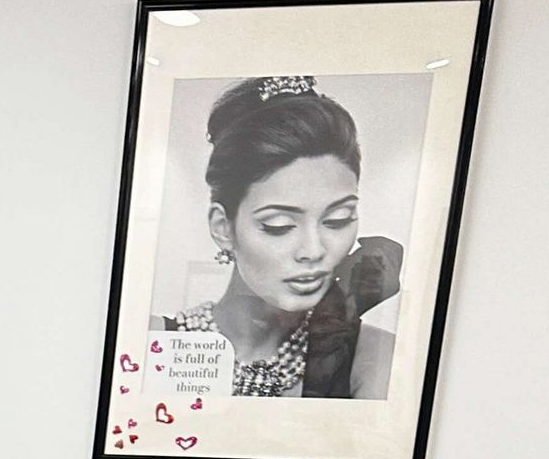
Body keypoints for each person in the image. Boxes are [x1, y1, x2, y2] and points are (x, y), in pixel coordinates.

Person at [156, 76, 400, 399]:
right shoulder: (153, 340)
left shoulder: (373, 357)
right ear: (222, 228)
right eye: (279, 225)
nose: (314, 251)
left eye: (337, 220)